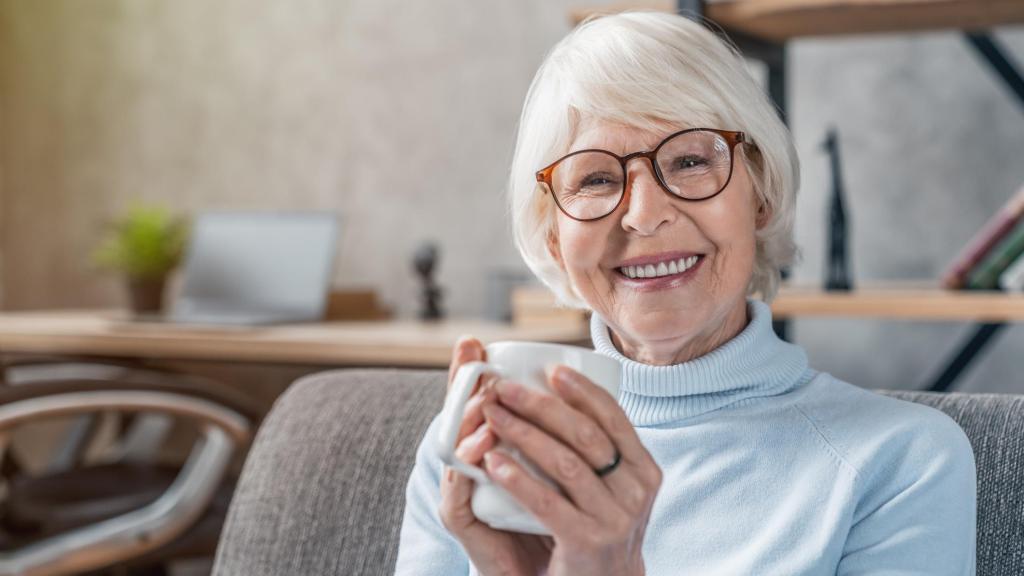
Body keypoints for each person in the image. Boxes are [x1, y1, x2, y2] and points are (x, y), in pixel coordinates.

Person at [395, 11, 977, 576]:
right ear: (553, 234)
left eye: (692, 160)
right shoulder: (470, 447)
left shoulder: (905, 462)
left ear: (761, 196)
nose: (645, 216)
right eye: (596, 178)